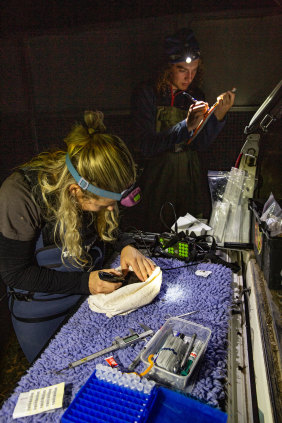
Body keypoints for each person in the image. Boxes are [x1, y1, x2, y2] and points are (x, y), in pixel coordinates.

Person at [0, 110, 155, 363]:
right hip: (42, 310)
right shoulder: (19, 195)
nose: (110, 211)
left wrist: (126, 245)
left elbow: (110, 227)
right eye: (104, 206)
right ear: (75, 191)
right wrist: (86, 284)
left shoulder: (93, 185)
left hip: (88, 301)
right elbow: (15, 273)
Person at [120, 28, 235, 233]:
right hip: (159, 178)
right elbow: (146, 146)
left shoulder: (195, 95)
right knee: (158, 231)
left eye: (194, 70)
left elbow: (200, 144)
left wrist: (218, 116)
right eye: (182, 69)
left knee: (190, 231)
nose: (189, 77)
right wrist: (186, 126)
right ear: (167, 67)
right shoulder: (147, 94)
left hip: (191, 178)